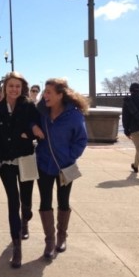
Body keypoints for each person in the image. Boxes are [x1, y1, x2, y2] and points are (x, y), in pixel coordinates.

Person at [0, 71, 44, 268]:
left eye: (18, 86)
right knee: (13, 202)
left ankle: (26, 218)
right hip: (6, 162)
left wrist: (29, 132)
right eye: (10, 85)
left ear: (22, 88)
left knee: (26, 200)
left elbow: (38, 127)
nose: (14, 89)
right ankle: (17, 248)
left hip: (26, 158)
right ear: (5, 87)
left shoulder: (29, 106)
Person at [35, 78, 88, 260]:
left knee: (63, 202)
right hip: (43, 164)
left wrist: (69, 156)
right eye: (44, 91)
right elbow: (28, 121)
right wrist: (33, 126)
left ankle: (62, 236)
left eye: (49, 92)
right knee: (45, 202)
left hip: (66, 167)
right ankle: (49, 241)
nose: (45, 95)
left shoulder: (74, 115)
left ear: (60, 95)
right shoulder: (42, 112)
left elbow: (81, 140)